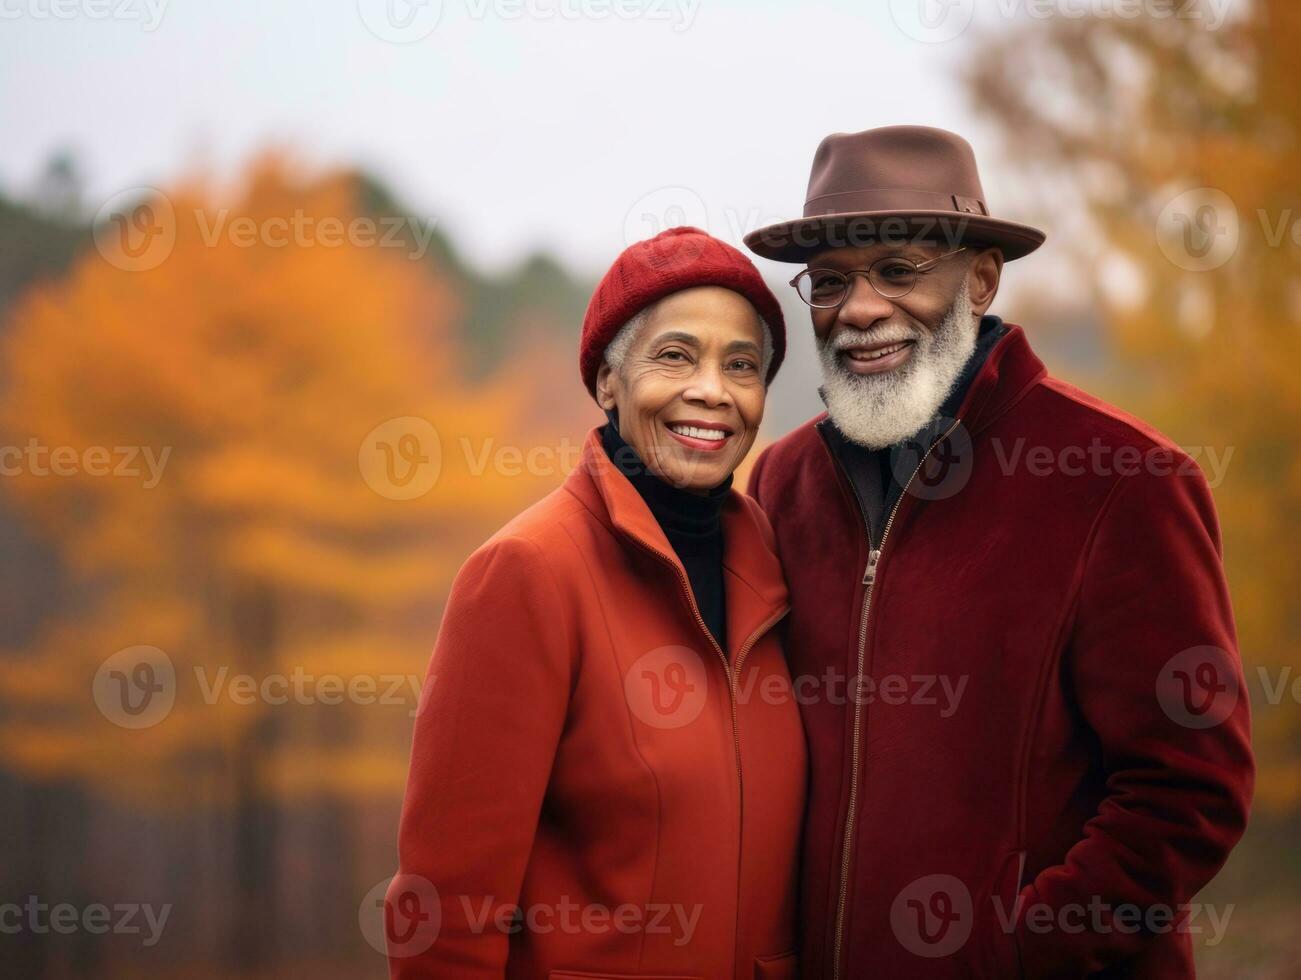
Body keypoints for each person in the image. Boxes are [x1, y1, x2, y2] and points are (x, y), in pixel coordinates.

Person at [743, 125, 1254, 979]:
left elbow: (1186, 790)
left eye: (898, 270)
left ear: (979, 279)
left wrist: (1015, 951)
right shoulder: (781, 485)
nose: (860, 308)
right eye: (829, 283)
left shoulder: (1121, 478)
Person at [387, 226, 805, 980]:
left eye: (740, 366)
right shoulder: (527, 575)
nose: (711, 390)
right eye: (674, 356)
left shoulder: (778, 571)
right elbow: (444, 910)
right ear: (607, 381)